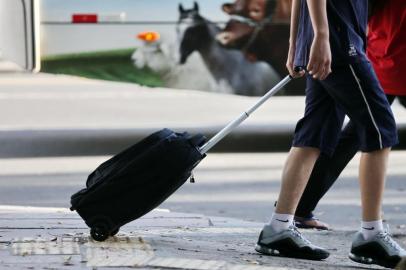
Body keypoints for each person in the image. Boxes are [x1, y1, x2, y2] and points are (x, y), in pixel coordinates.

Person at [254, 0, 406, 268]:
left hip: (328, 37)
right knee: (380, 129)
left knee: (315, 132)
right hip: (338, 39)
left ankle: (278, 229)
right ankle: (372, 235)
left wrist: (296, 43)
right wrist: (321, 36)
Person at [294, 0, 406, 231]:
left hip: (380, 56)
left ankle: (295, 211)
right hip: (387, 58)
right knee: (370, 132)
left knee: (338, 135)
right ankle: (370, 232)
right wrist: (318, 36)